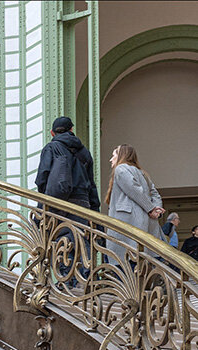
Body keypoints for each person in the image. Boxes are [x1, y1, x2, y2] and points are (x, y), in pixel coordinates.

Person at [34, 117, 100, 287]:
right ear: (72, 130)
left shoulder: (51, 147)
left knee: (61, 238)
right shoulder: (84, 152)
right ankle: (87, 280)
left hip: (60, 201)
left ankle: (66, 281)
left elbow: (42, 177)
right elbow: (91, 183)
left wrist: (45, 197)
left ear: (52, 133)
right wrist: (94, 208)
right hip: (82, 202)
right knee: (81, 240)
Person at [104, 144, 165, 265]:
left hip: (128, 224)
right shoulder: (143, 173)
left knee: (121, 261)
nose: (111, 159)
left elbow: (134, 190)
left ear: (122, 155)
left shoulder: (120, 169)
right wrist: (156, 210)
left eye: (114, 155)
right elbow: (155, 194)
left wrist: (151, 209)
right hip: (144, 225)